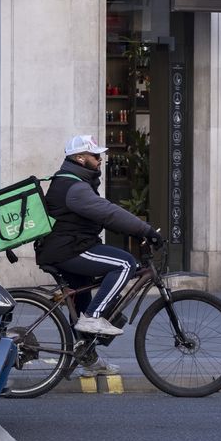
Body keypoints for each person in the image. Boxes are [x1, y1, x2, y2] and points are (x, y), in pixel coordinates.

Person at [36, 135, 163, 343]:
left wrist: (134, 231)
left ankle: (87, 358)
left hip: (66, 247)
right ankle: (94, 317)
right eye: (95, 155)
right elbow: (109, 213)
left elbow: (104, 216)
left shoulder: (72, 182)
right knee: (124, 263)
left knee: (81, 304)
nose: (100, 159)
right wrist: (146, 231)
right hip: (70, 249)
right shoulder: (74, 187)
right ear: (79, 158)